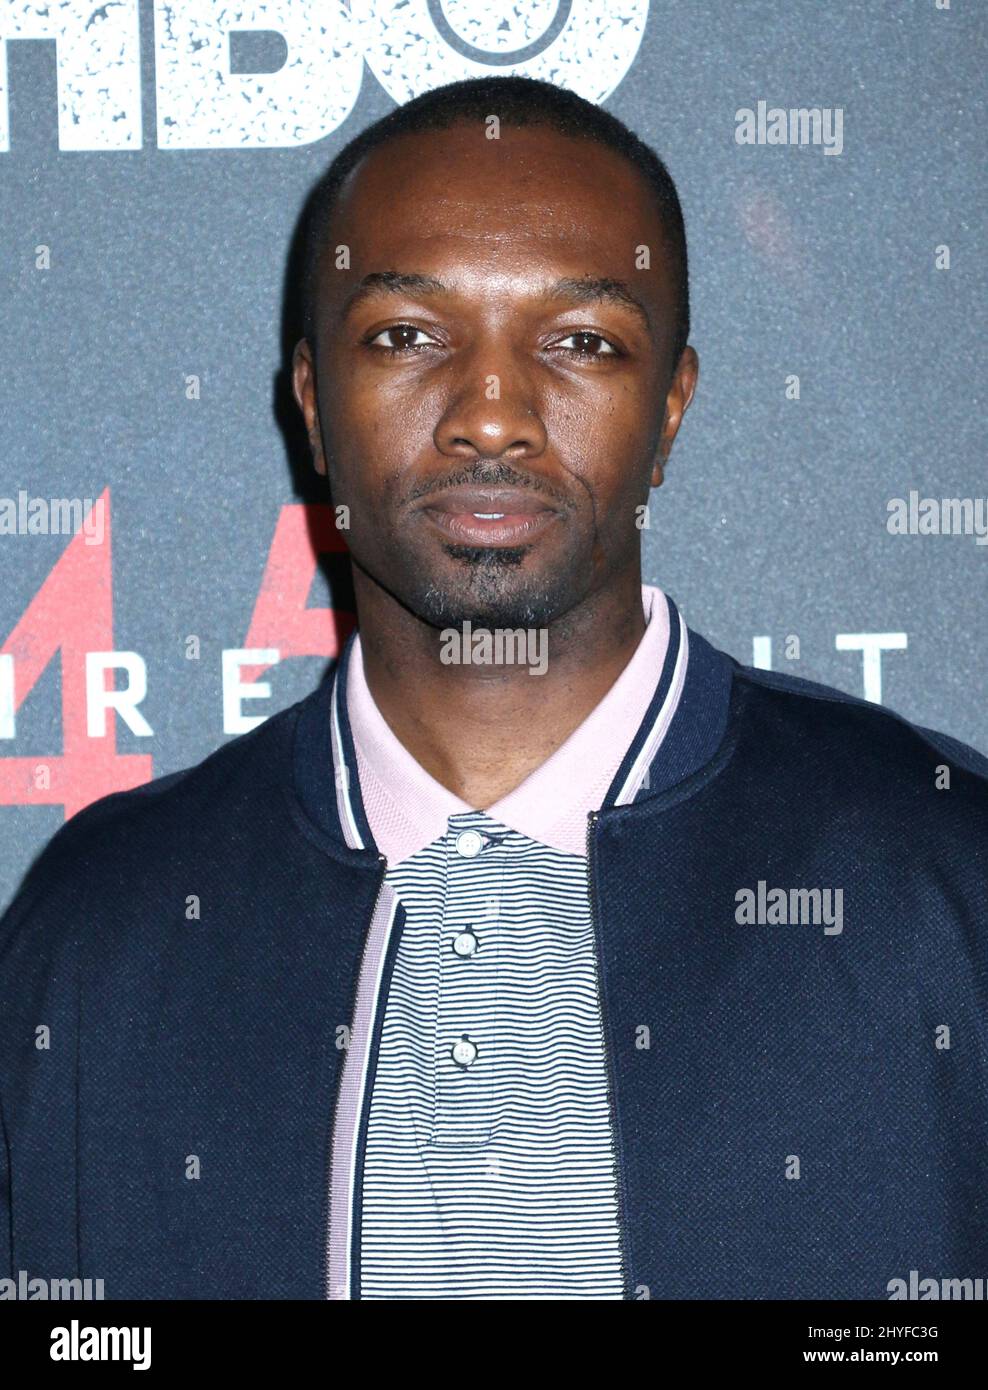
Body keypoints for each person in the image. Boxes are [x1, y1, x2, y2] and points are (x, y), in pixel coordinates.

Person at [1, 75, 986, 1302]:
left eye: (581, 341)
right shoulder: (107, 928)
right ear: (311, 401)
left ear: (671, 408)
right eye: (409, 335)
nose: (490, 415)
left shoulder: (946, 877)